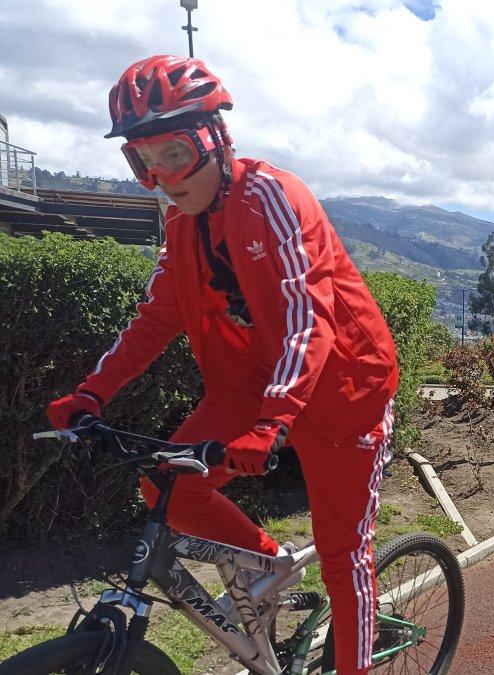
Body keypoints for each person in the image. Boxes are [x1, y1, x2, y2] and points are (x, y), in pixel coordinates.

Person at [44, 55, 398, 675]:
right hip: (255, 384)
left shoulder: (275, 196)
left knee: (346, 560)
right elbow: (156, 318)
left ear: (214, 139)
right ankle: (274, 563)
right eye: (142, 161)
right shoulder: (181, 225)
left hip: (344, 389)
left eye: (173, 155)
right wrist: (91, 392)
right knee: (167, 487)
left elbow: (305, 315)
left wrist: (275, 421)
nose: (160, 176)